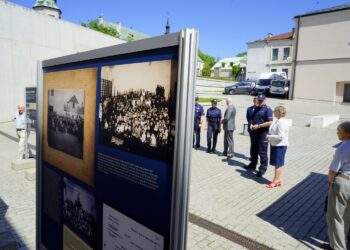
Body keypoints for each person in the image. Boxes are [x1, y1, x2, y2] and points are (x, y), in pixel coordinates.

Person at [326, 121, 350, 250]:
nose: (337, 134)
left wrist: (330, 183)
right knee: (346, 217)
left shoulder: (343, 147)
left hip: (343, 183)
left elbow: (333, 171)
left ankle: (338, 247)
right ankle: (340, 243)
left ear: (346, 134)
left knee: (335, 217)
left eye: (339, 131)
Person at [244, 95, 273, 177]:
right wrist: (251, 124)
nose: (260, 101)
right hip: (254, 132)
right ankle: (253, 164)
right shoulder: (256, 109)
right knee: (253, 149)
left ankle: (262, 170)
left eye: (261, 100)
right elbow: (251, 119)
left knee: (262, 152)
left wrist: (259, 126)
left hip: (262, 133)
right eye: (259, 100)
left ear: (265, 100)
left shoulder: (268, 109)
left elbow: (270, 122)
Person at [266, 106, 289, 188]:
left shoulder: (281, 122)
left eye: (274, 111)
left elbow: (281, 136)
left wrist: (269, 136)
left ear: (278, 112)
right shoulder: (279, 120)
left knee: (278, 164)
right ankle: (278, 180)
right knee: (277, 164)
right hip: (276, 144)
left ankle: (275, 181)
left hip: (280, 145)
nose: (273, 112)